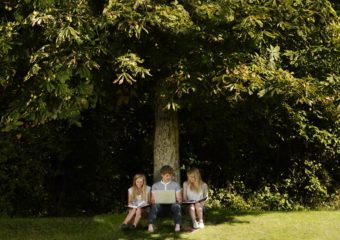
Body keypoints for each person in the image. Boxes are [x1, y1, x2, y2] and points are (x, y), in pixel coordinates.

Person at [148, 165, 182, 232]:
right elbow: (152, 201)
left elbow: (180, 200)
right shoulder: (155, 186)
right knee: (155, 205)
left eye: (170, 175)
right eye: (167, 175)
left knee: (177, 205)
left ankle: (178, 225)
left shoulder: (176, 185)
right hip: (160, 208)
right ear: (162, 175)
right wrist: (156, 200)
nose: (169, 177)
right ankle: (151, 224)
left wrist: (178, 199)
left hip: (172, 208)